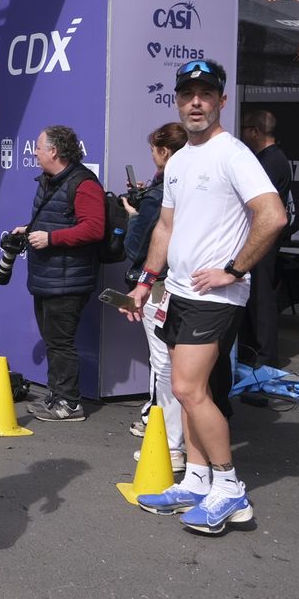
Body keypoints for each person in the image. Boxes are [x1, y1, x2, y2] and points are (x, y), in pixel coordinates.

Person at [124, 59, 285, 535]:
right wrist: (146, 280)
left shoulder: (233, 153)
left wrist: (234, 269)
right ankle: (197, 480)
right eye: (188, 93)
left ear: (221, 101)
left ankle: (231, 490)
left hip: (215, 297)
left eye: (206, 94)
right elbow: (166, 227)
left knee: (189, 390)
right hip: (176, 291)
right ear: (178, 100)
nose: (196, 101)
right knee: (185, 390)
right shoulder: (179, 160)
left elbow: (272, 216)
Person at [12, 125, 105, 423]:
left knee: (60, 342)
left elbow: (94, 228)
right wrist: (30, 229)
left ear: (53, 151)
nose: (35, 151)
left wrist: (52, 239)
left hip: (68, 279)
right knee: (54, 339)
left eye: (38, 146)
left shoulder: (83, 183)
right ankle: (57, 396)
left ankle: (69, 403)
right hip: (48, 275)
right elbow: (55, 218)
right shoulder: (51, 181)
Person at [123, 123, 189, 473]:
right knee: (184, 369)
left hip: (162, 286)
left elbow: (135, 247)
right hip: (194, 287)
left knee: (165, 365)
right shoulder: (190, 187)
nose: (151, 154)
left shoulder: (157, 196)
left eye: (154, 149)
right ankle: (180, 444)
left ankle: (171, 445)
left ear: (164, 153)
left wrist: (133, 217)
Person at [239, 108, 296, 368]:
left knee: (262, 298)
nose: (242, 135)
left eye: (245, 130)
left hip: (263, 239)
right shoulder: (267, 159)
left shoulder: (272, 162)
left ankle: (266, 358)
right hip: (257, 237)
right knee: (254, 297)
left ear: (255, 132)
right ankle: (253, 351)